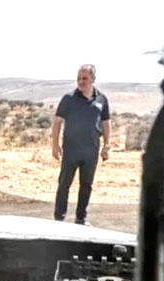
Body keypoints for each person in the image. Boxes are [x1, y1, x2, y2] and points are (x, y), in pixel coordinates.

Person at [50, 64, 111, 226]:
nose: (81, 82)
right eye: (78, 78)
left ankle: (81, 218)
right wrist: (55, 145)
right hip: (71, 149)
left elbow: (106, 122)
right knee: (64, 183)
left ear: (93, 79)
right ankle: (59, 218)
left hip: (91, 150)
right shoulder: (69, 98)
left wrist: (107, 144)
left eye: (84, 78)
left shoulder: (101, 99)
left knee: (87, 185)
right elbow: (57, 122)